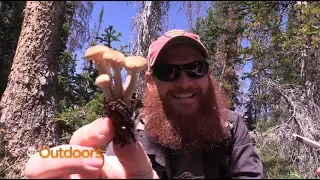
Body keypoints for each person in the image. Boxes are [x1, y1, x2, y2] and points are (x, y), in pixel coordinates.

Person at [24, 29, 264, 179]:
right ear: (149, 82)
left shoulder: (230, 126)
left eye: (195, 68)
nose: (184, 81)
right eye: (168, 71)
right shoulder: (132, 133)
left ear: (208, 75)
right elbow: (118, 168)